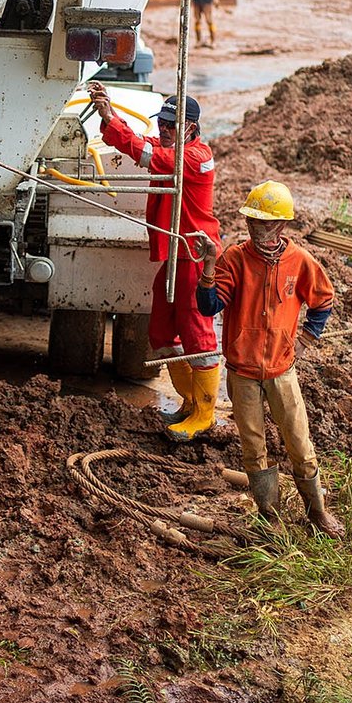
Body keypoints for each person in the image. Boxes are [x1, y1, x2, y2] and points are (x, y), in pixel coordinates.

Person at [190, 181, 344, 538]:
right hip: (242, 371)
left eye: (263, 222)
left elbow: (323, 300)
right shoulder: (235, 258)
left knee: (300, 443)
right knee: (253, 445)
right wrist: (209, 267)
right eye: (251, 221)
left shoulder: (299, 261)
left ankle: (317, 512)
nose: (255, 228)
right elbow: (209, 306)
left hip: (281, 370)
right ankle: (269, 516)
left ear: (281, 225)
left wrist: (307, 337)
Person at [87, 80, 222, 440]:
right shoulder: (174, 151)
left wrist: (112, 120)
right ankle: (190, 401)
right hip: (174, 255)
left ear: (190, 128)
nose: (163, 129)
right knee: (161, 332)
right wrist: (109, 115)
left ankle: (205, 413)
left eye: (170, 125)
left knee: (199, 335)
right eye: (161, 123)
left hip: (194, 256)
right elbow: (144, 147)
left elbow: (149, 156)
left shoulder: (195, 158)